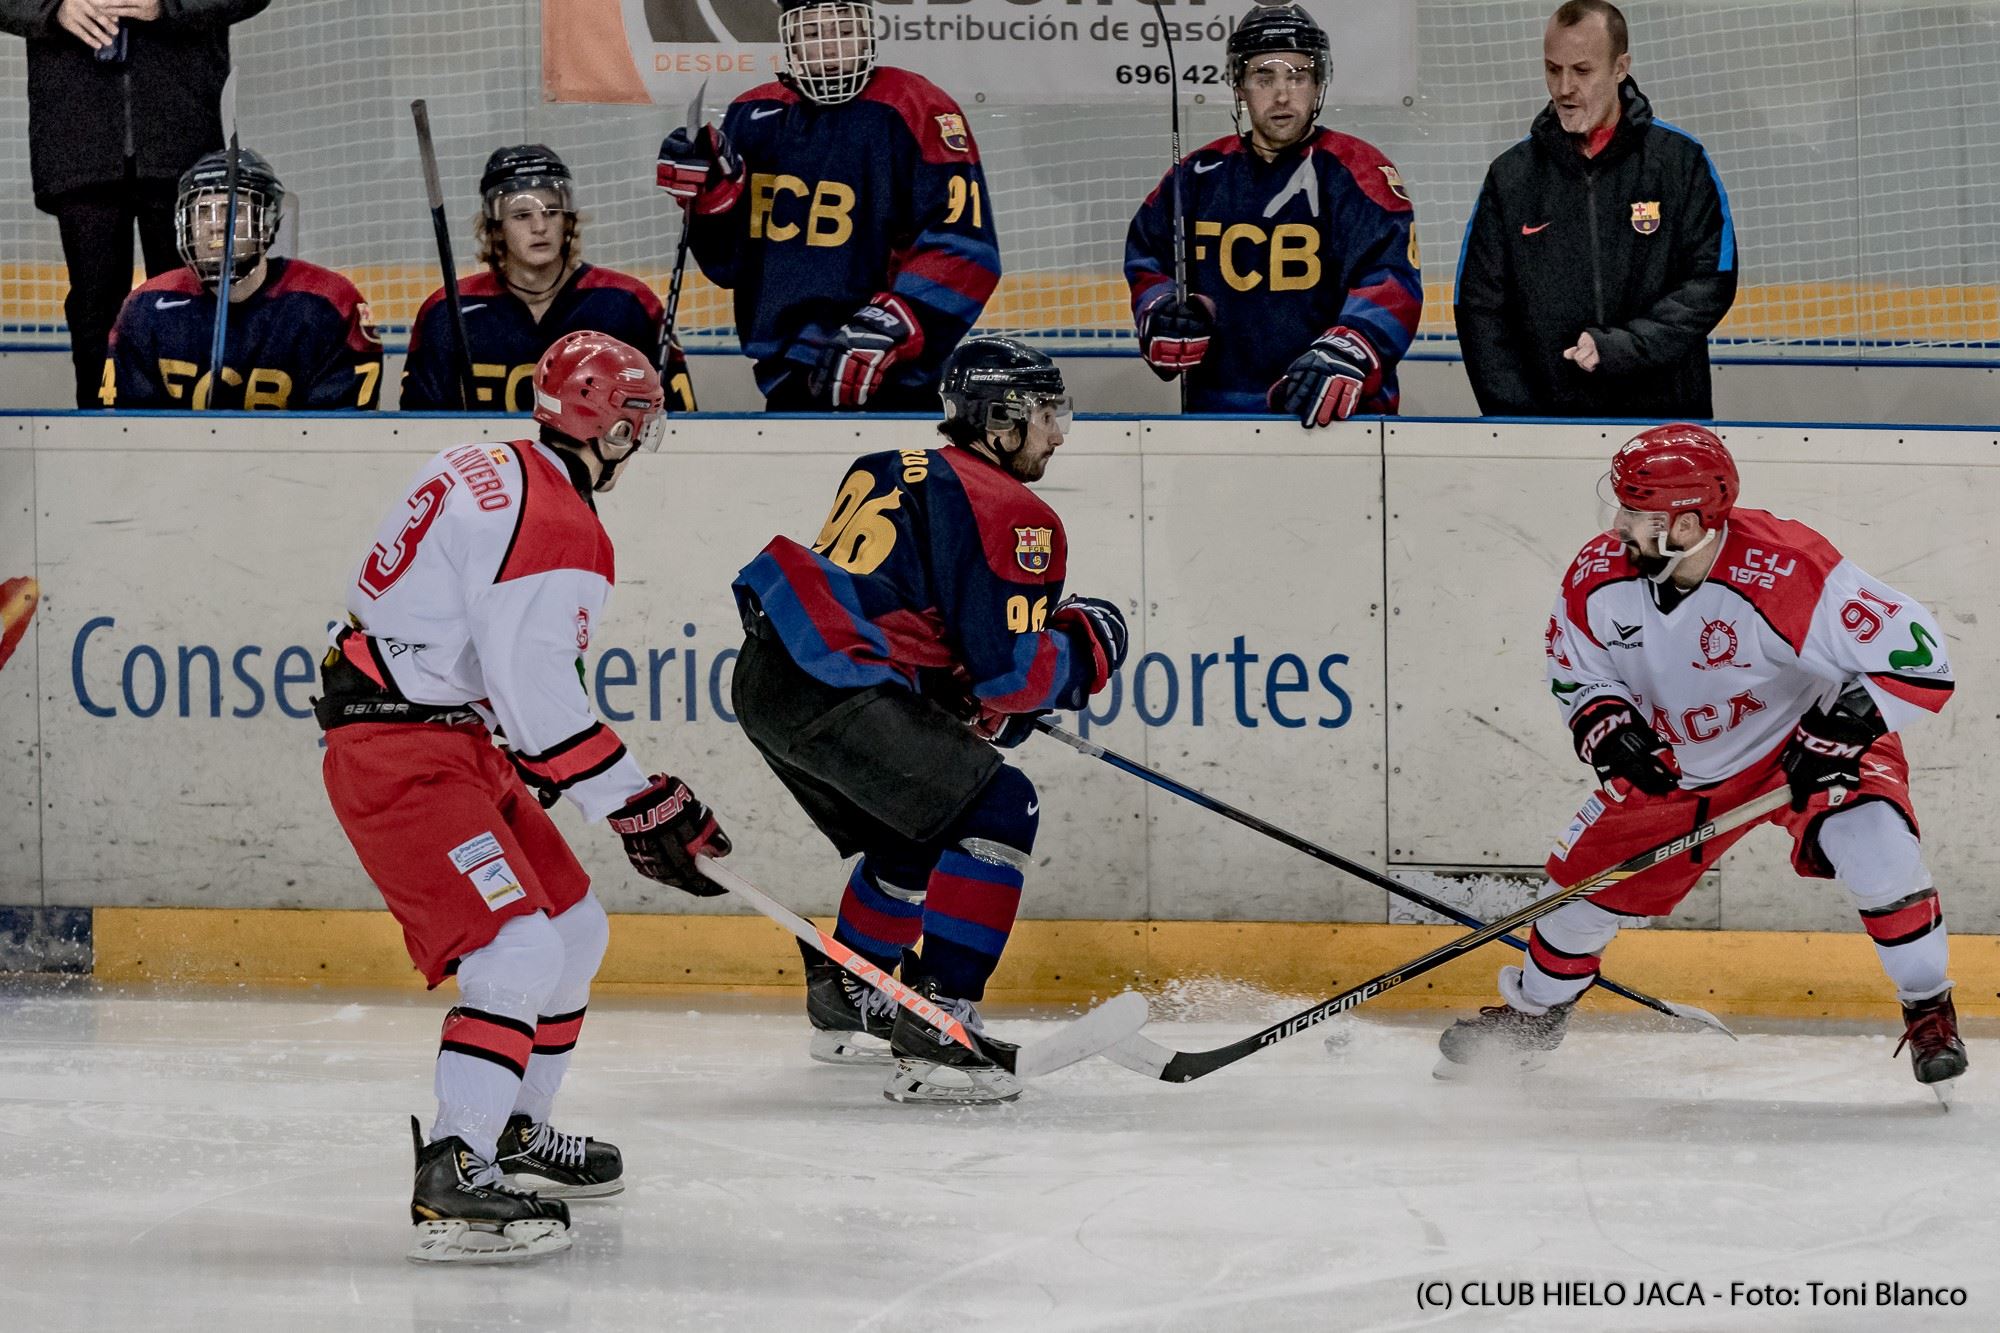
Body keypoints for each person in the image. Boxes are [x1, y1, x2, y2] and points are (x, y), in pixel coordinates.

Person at [317, 331, 734, 1262]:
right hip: (397, 749)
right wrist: (640, 799)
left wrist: (600, 785)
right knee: (518, 941)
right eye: (639, 422)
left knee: (575, 927)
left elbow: (489, 669)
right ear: (614, 432)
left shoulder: (491, 460)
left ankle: (510, 1128)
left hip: (443, 730)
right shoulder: (559, 524)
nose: (641, 441)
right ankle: (454, 1169)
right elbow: (536, 693)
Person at [1437, 423, 1964, 1099]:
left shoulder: (1789, 569)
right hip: (1681, 767)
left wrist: (1836, 732)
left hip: (1806, 748)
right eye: (1621, 506)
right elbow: (1575, 669)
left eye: (1639, 513)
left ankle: (1929, 1009)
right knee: (1575, 900)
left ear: (1689, 523)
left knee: (1878, 846)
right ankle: (1534, 1018)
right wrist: (1605, 724)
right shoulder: (1600, 575)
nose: (1619, 525)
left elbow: (1921, 660)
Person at [728, 337, 1126, 1104]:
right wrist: (1091, 649)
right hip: (839, 684)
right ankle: (941, 1023)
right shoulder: (1014, 510)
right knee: (1005, 805)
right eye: (1047, 414)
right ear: (1001, 419)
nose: (1060, 432)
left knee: (916, 824)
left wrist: (966, 704)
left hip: (768, 675)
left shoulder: (890, 463)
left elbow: (915, 621)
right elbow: (1010, 676)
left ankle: (851, 991)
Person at [654, 0, 1000, 412]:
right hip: (789, 381)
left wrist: (893, 326)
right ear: (792, 43)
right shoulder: (752, 115)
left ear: (868, 34)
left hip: (896, 380)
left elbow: (966, 247)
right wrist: (710, 198)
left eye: (845, 30)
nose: (833, 48)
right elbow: (730, 267)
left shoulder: (918, 107)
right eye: (815, 34)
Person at [1123, 4, 1421, 425]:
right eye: (1264, 77)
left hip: (1336, 417)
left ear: (1318, 84)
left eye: (1297, 76)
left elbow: (1392, 282)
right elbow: (1148, 259)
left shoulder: (1359, 172)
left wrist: (1347, 350)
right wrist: (1163, 312)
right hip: (1218, 414)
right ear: (1240, 86)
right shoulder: (1196, 177)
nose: (1282, 95)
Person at [1455, 0, 1737, 419]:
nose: (1564, 87)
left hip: (1665, 422)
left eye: (1582, 71)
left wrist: (1625, 348)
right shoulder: (1510, 176)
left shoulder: (1680, 161)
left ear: (1620, 67)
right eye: (1553, 69)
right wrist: (1515, 420)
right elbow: (1479, 307)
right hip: (1543, 430)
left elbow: (1710, 282)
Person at [0, 0, 269, 408]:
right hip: (79, 138)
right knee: (94, 306)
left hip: (182, 138)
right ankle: (97, 431)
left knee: (190, 300)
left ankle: (197, 431)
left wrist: (168, 6)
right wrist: (54, 10)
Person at [401, 144, 696, 414]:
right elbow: (420, 427)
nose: (540, 226)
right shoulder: (448, 310)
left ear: (567, 220)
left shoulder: (627, 304)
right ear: (496, 228)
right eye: (521, 215)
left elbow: (675, 422)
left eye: (551, 212)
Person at [103, 148, 383, 410]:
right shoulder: (147, 307)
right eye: (201, 211)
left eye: (232, 210)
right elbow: (128, 434)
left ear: (267, 221)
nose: (214, 224)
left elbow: (345, 437)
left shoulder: (329, 304)